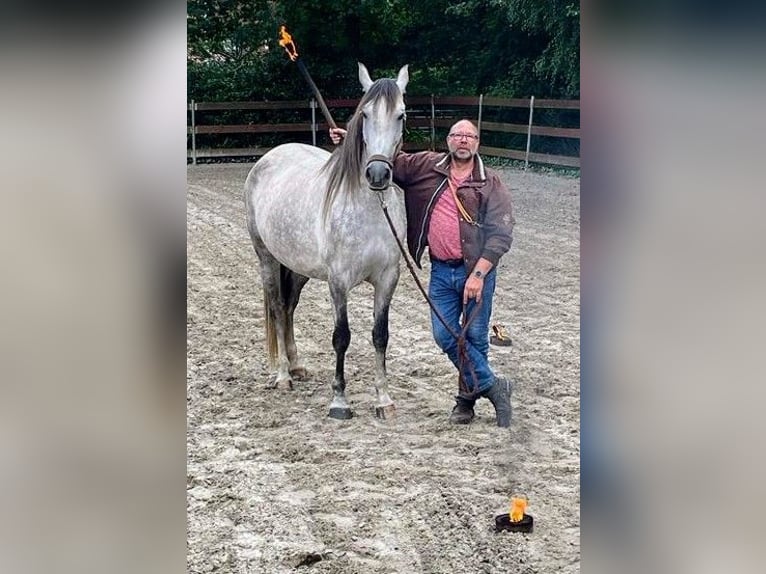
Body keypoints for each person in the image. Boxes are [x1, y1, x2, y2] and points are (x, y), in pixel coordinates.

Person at [330, 120, 514, 427]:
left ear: (478, 142)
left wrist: (479, 275)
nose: (463, 141)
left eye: (469, 136)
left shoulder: (491, 182)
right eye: (457, 135)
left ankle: (465, 404)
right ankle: (496, 387)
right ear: (449, 140)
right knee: (445, 336)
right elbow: (387, 158)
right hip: (441, 270)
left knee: (475, 339)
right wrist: (354, 139)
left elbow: (501, 235)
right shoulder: (427, 165)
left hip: (477, 272)